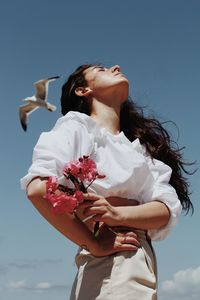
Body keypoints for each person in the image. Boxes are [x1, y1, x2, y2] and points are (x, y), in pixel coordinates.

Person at [21, 64, 193, 300]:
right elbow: (38, 188)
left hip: (136, 256)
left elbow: (165, 210)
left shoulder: (138, 149)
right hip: (112, 257)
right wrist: (95, 243)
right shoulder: (77, 127)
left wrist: (118, 213)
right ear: (82, 90)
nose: (116, 67)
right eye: (101, 69)